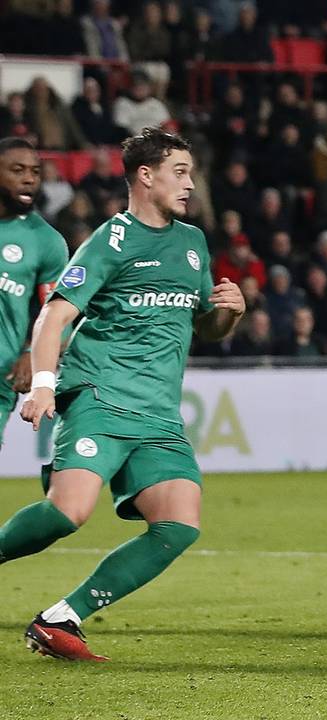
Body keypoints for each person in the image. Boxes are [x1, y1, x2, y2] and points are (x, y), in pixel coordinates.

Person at [5, 127, 245, 661]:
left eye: (190, 173)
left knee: (179, 524)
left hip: (159, 412)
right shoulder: (111, 240)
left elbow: (204, 326)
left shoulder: (192, 243)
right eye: (179, 172)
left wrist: (229, 313)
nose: (189, 184)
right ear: (146, 176)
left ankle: (60, 618)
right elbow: (53, 317)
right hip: (101, 393)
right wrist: (43, 386)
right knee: (67, 513)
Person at [0, 138, 70, 451]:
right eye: (18, 170)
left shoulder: (46, 241)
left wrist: (32, 354)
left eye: (35, 171)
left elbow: (60, 316)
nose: (29, 179)